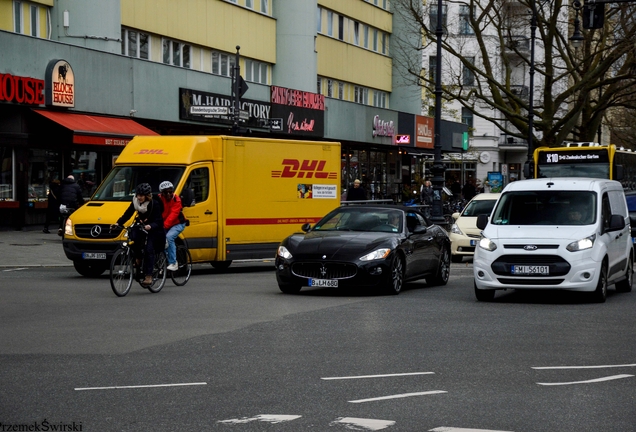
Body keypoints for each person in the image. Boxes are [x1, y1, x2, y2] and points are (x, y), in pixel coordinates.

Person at [110, 183, 165, 286]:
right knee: (133, 238)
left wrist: (151, 226)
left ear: (147, 196)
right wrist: (118, 223)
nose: (139, 197)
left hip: (154, 228)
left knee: (149, 249)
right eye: (138, 195)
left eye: (141, 195)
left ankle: (149, 276)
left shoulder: (154, 204)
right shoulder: (135, 202)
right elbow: (128, 213)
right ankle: (138, 258)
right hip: (142, 225)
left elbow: (159, 221)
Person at [158, 181, 187, 272]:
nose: (168, 194)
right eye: (166, 192)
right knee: (159, 240)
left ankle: (173, 262)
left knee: (169, 237)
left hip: (178, 224)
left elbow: (173, 215)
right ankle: (162, 262)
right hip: (165, 224)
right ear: (161, 193)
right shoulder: (158, 199)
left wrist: (163, 226)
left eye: (170, 192)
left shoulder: (176, 200)